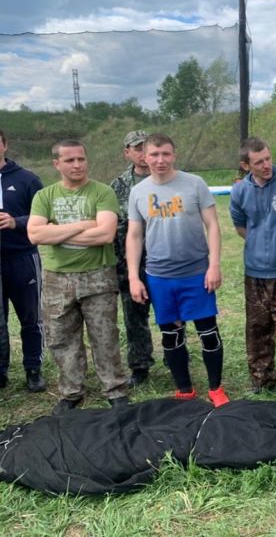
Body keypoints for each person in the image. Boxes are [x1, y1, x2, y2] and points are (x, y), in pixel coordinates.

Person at [126, 133, 228, 407]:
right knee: (171, 334)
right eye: (155, 155)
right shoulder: (138, 192)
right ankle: (184, 389)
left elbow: (214, 226)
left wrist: (214, 265)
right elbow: (134, 236)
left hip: (196, 273)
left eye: (166, 154)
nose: (161, 160)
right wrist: (134, 277)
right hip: (159, 277)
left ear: (174, 155)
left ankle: (216, 388)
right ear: (144, 157)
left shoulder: (194, 184)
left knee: (208, 330)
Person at [28, 140, 129, 414]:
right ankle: (72, 392)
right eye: (70, 160)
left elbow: (105, 234)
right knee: (61, 337)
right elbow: (35, 234)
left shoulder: (102, 192)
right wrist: (85, 225)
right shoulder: (45, 196)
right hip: (57, 279)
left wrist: (57, 231)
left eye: (81, 159)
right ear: (56, 164)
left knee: (105, 335)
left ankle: (115, 389)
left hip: (97, 276)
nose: (77, 165)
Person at [229, 137, 276, 401]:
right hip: (255, 272)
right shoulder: (240, 191)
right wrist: (260, 245)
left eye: (268, 159)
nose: (266, 165)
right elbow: (240, 225)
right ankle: (261, 377)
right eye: (259, 162)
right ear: (245, 165)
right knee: (257, 328)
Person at [0, 129, 46, 392]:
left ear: (5, 145)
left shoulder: (26, 179)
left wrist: (16, 222)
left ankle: (33, 368)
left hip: (21, 257)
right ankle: (1, 371)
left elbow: (44, 216)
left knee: (30, 317)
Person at [110, 130, 154, 387]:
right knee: (134, 316)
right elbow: (115, 225)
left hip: (163, 258)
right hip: (129, 261)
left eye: (145, 147)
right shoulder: (118, 185)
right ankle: (140, 365)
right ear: (127, 152)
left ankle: (175, 356)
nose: (142, 153)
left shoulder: (167, 180)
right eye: (136, 148)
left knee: (171, 312)